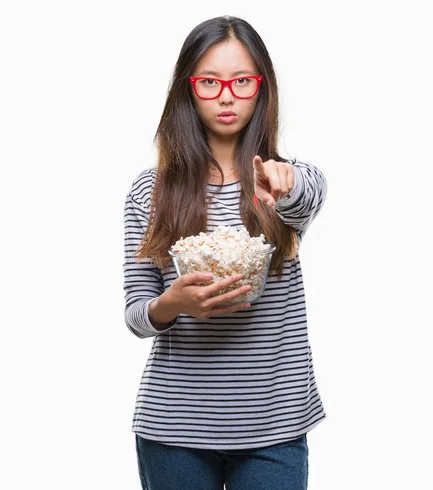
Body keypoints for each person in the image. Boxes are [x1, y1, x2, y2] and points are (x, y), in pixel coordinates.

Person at [123, 15, 328, 490]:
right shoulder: (149, 193)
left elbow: (308, 194)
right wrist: (172, 304)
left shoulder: (281, 181)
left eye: (241, 80)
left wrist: (284, 182)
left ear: (262, 87)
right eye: (209, 82)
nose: (227, 95)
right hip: (174, 429)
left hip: (274, 426)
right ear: (188, 90)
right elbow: (136, 314)